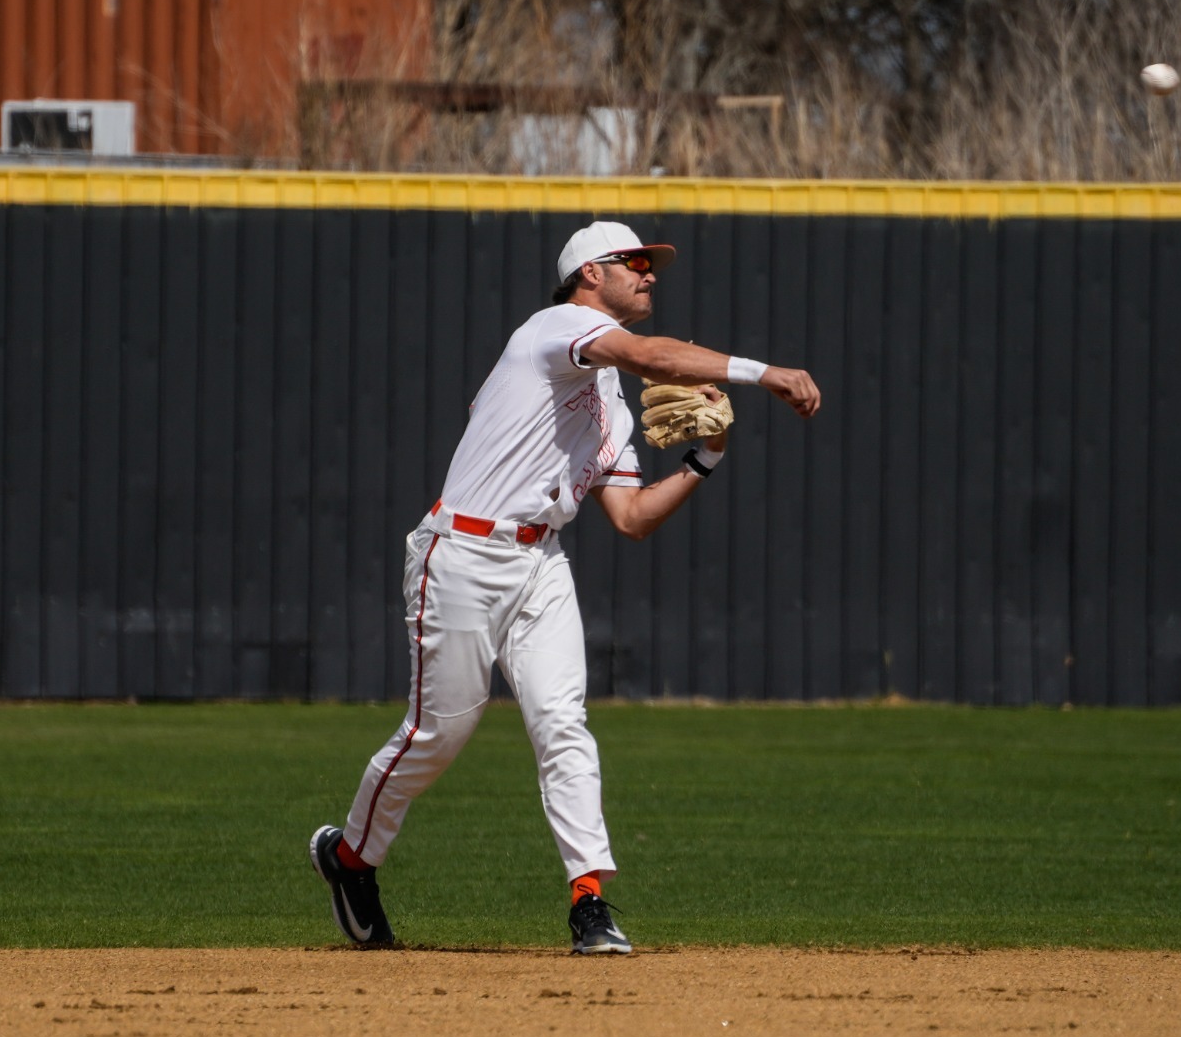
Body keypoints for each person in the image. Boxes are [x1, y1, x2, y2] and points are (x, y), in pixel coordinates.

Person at [309, 220, 822, 954]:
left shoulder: (610, 401)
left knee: (563, 724)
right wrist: (763, 372)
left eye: (652, 265)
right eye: (633, 263)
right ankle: (350, 858)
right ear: (590, 274)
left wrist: (708, 457)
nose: (649, 274)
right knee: (439, 735)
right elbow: (651, 355)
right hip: (460, 551)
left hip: (540, 562)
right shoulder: (556, 329)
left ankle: (589, 903)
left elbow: (631, 518)